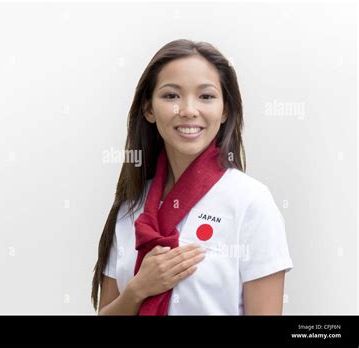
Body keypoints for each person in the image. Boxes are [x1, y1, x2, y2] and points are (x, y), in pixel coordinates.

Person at [91, 39, 293, 315]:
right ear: (149, 109)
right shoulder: (131, 206)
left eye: (206, 96)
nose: (188, 110)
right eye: (171, 96)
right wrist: (139, 290)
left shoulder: (251, 203)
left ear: (225, 111)